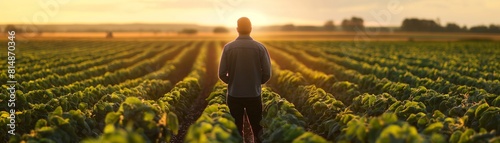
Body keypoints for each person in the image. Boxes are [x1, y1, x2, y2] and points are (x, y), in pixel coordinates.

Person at [218, 17, 272, 143]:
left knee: (235, 130)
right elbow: (267, 73)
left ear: (237, 29)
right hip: (254, 94)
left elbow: (221, 73)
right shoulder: (260, 47)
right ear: (251, 29)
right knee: (257, 128)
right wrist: (256, 83)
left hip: (234, 94)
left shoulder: (228, 48)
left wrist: (232, 82)